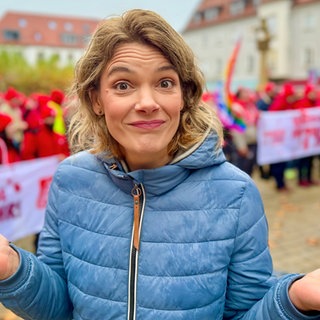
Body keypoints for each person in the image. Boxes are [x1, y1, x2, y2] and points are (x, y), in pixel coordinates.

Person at [0, 9, 320, 320]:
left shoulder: (236, 195)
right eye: (123, 85)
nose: (147, 103)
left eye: (165, 83)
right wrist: (12, 269)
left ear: (184, 95)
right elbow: (59, 307)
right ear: (96, 99)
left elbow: (245, 312)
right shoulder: (70, 180)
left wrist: (294, 301)